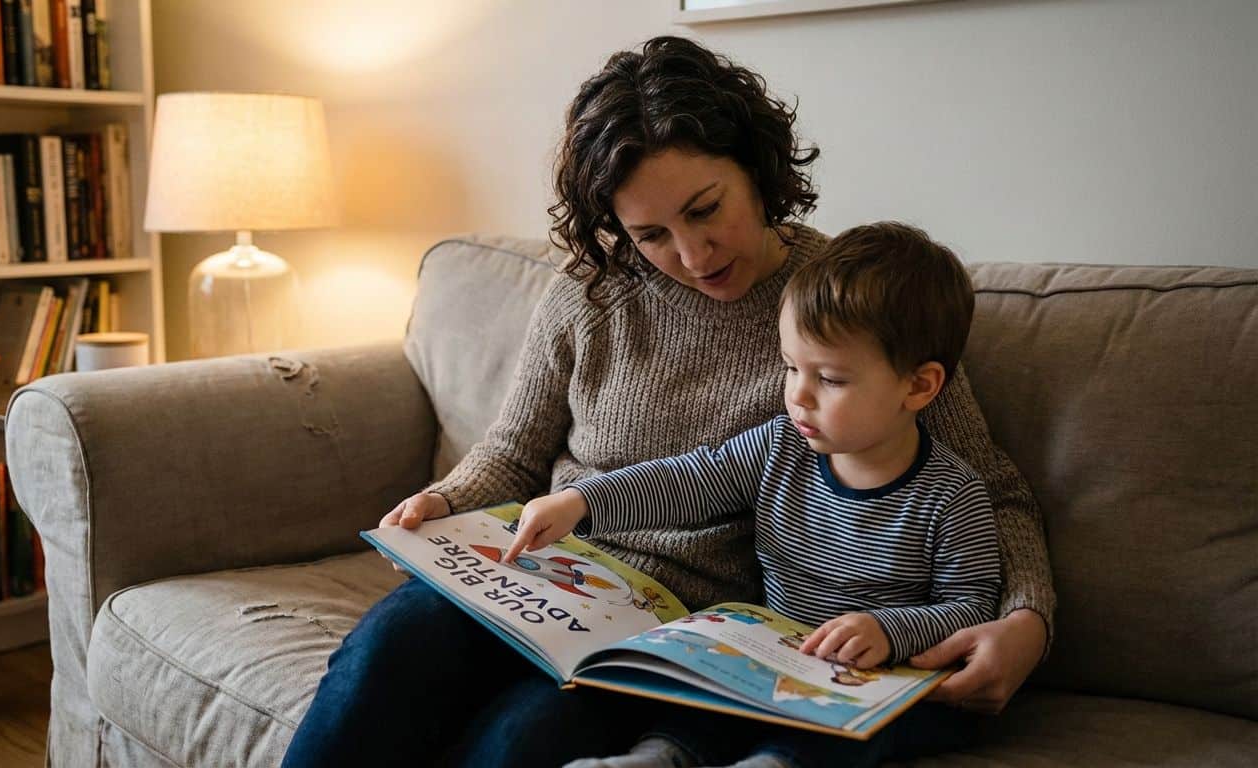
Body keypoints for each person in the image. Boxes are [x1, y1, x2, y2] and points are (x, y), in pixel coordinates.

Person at [281, 36, 1054, 768]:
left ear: (756, 169)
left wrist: (1025, 623)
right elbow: (513, 452)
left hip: (679, 630)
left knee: (524, 739)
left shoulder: (840, 311)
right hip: (541, 575)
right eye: (650, 234)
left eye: (706, 209)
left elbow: (987, 489)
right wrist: (441, 504)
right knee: (391, 648)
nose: (691, 255)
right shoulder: (591, 296)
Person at [505, 222, 1002, 768]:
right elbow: (686, 481)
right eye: (792, 368)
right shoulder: (779, 447)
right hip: (782, 659)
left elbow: (973, 606)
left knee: (836, 733)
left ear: (919, 386)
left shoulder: (953, 496)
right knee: (707, 692)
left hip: (894, 682)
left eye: (831, 379)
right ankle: (660, 757)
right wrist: (583, 502)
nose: (799, 395)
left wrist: (889, 630)